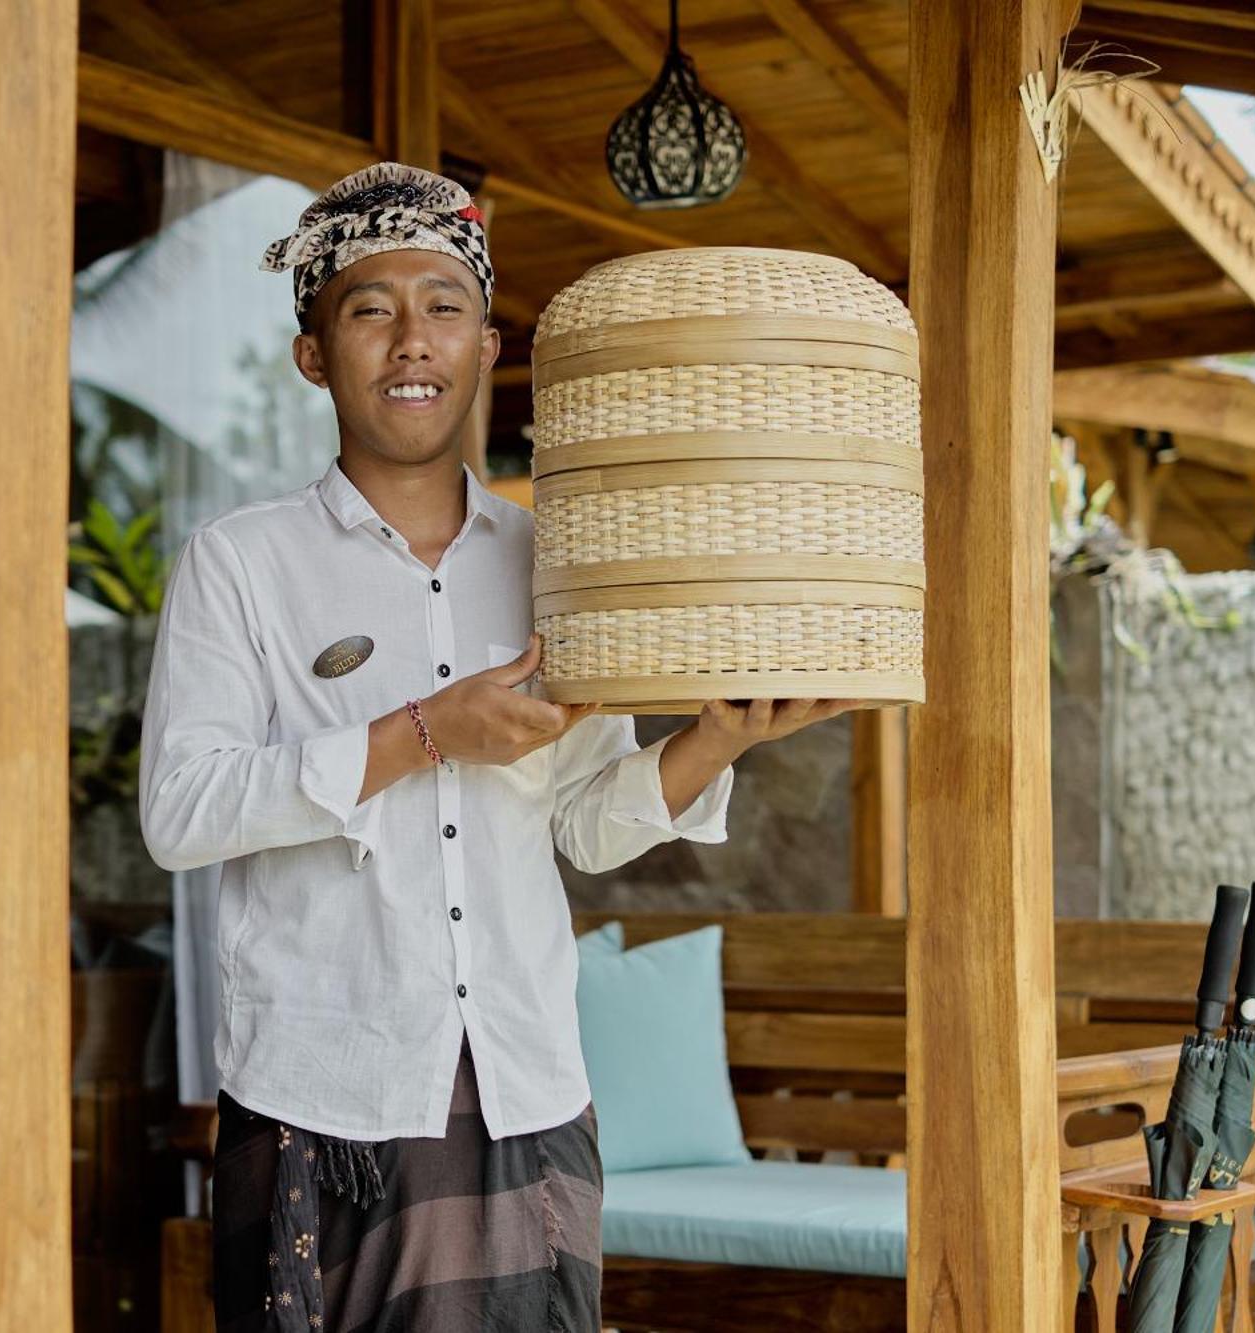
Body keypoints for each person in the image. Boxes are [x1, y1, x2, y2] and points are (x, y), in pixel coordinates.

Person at [139, 162, 867, 1333]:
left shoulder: (556, 558)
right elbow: (182, 810)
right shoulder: (241, 562)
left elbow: (582, 820)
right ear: (314, 353)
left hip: (525, 1081)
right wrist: (424, 733)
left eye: (443, 306)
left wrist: (716, 739)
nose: (410, 341)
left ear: (486, 342)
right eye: (370, 309)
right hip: (324, 1099)